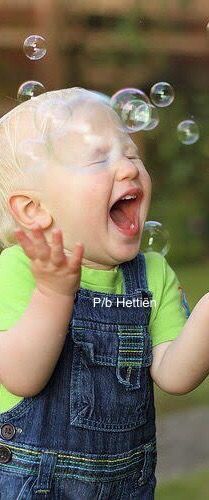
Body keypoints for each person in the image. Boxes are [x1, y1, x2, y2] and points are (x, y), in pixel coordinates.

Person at [0, 87, 207, 499]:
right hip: (32, 486)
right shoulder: (19, 268)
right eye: (99, 158)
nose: (129, 169)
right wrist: (55, 292)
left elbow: (174, 375)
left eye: (130, 154)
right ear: (33, 210)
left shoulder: (152, 275)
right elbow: (21, 376)